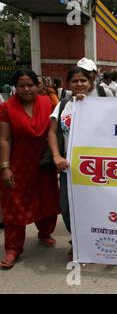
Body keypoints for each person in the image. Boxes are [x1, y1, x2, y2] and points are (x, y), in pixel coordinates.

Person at [0, 70, 60, 269]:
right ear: (15, 88)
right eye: (21, 85)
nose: (26, 89)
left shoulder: (49, 103)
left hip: (43, 162)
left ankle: (45, 234)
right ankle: (13, 249)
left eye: (30, 85)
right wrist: (5, 167)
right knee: (14, 205)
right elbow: (4, 139)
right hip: (17, 163)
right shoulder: (7, 108)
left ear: (38, 86)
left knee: (47, 199)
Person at [48, 67, 95, 259]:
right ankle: (76, 240)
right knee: (67, 209)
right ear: (69, 84)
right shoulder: (63, 105)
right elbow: (51, 132)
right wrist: (56, 156)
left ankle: (89, 244)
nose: (80, 84)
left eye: (83, 80)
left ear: (90, 82)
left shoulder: (103, 105)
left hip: (95, 169)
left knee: (94, 208)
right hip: (69, 168)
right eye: (75, 81)